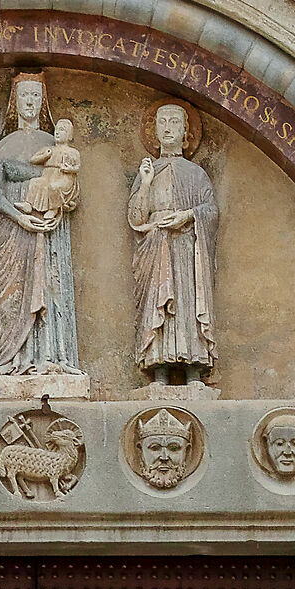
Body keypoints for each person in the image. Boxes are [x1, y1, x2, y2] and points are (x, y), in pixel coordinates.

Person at [0, 71, 81, 382]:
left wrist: (60, 204)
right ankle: (15, 357)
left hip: (49, 229)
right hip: (15, 230)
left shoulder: (54, 143)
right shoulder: (5, 145)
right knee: (12, 294)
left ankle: (50, 357)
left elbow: (72, 190)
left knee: (49, 286)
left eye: (36, 96)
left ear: (43, 103)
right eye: (25, 95)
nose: (30, 101)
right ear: (14, 102)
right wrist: (18, 217)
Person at [129, 99, 219, 384]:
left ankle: (194, 369)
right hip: (156, 245)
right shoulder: (148, 171)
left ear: (185, 132)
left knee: (187, 303)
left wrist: (188, 216)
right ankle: (159, 370)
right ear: (154, 131)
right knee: (158, 303)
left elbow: (211, 210)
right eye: (162, 122)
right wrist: (145, 183)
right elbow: (136, 216)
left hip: (186, 247)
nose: (168, 128)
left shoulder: (196, 174)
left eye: (175, 123)